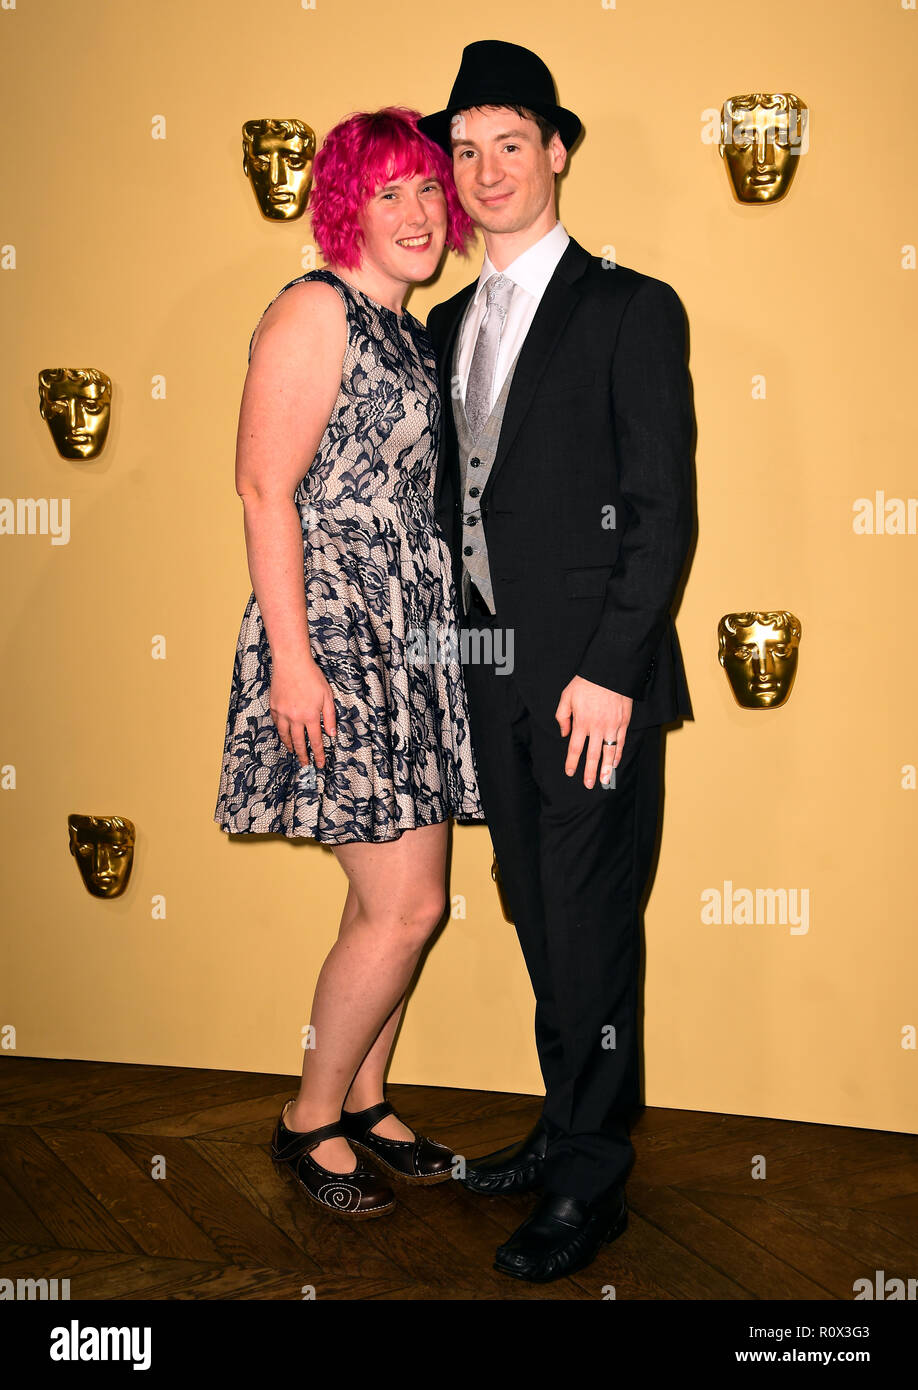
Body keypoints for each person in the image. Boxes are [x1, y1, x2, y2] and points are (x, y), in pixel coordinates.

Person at [418, 41, 695, 1279]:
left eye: (507, 144)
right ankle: (564, 1122)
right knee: (538, 917)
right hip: (486, 677)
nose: (482, 171)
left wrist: (610, 669)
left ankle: (591, 1183)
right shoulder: (439, 325)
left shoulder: (630, 306)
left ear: (555, 151)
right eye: (463, 149)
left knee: (587, 929)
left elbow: (658, 511)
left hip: (593, 684)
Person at [213, 107, 481, 1218]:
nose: (417, 213)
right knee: (403, 908)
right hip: (335, 632)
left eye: (429, 190)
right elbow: (262, 488)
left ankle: (366, 1098)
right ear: (345, 209)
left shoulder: (407, 329)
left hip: (408, 632)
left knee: (402, 901)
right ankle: (307, 1116)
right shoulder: (312, 308)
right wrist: (294, 660)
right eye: (389, 193)